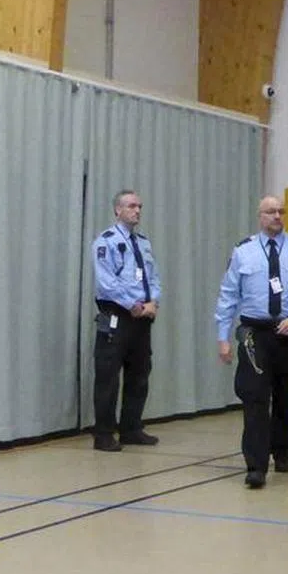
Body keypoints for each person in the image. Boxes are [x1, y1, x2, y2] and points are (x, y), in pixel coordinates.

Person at [215, 195, 288, 488]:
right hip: (255, 334)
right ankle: (256, 464)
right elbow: (228, 294)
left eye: (281, 211)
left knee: (287, 396)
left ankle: (282, 451)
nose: (277, 216)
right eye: (270, 212)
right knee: (255, 398)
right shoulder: (244, 252)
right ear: (260, 216)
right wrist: (223, 336)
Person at [91, 189, 162, 452]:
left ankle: (131, 428)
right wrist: (131, 304)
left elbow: (152, 276)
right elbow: (106, 282)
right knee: (108, 376)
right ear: (118, 210)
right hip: (117, 316)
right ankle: (104, 434)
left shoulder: (143, 242)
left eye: (140, 206)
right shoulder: (105, 242)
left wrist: (153, 301)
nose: (137, 211)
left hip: (142, 318)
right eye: (132, 206)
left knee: (140, 373)